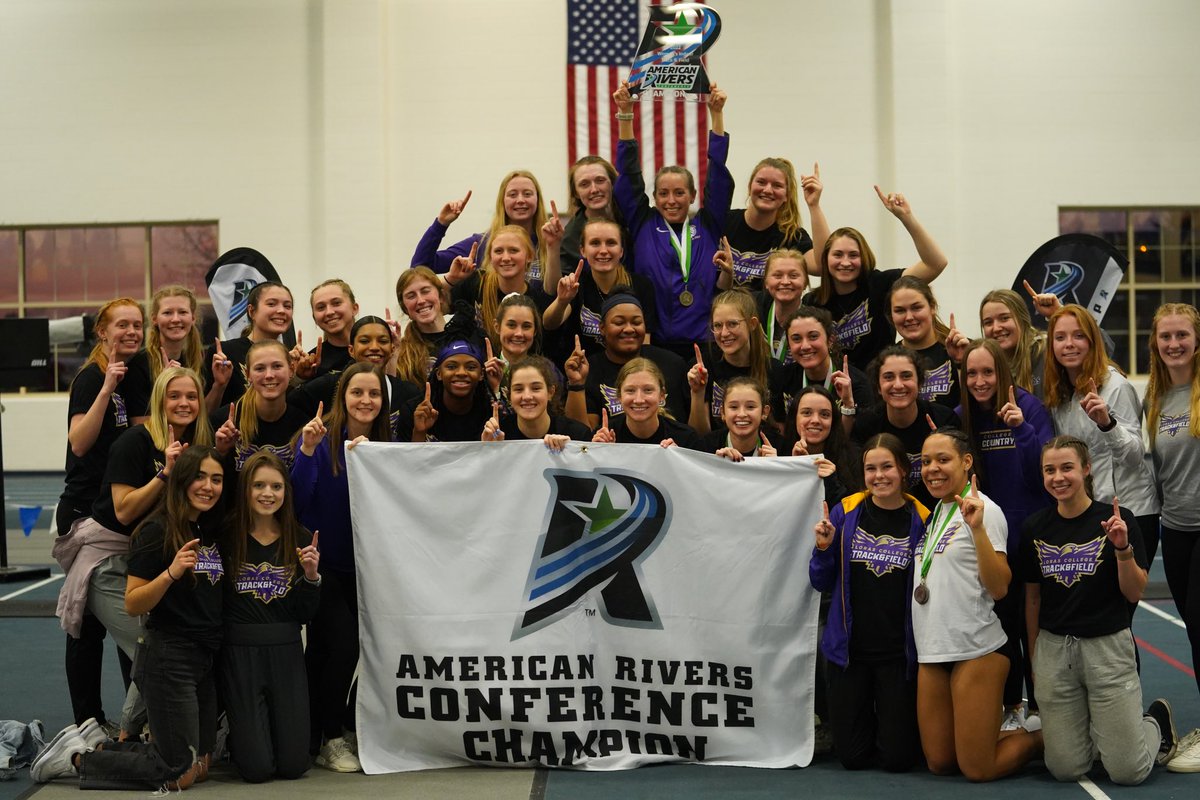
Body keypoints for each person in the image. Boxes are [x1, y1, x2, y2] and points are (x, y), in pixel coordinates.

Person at [32, 446, 228, 790]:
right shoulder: (156, 531)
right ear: (180, 480)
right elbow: (134, 603)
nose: (208, 486)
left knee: (201, 767)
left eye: (216, 479)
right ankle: (76, 759)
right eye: (199, 477)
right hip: (170, 659)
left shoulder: (207, 528)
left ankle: (106, 746)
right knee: (177, 774)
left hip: (204, 659)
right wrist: (169, 573)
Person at [1020, 436, 1177, 784]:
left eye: (1066, 468)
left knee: (1128, 772)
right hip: (1054, 651)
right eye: (1049, 470)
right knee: (1065, 769)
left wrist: (1122, 548)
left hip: (1107, 649)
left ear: (1086, 469)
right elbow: (1032, 599)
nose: (1058, 477)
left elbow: (1134, 592)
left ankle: (1154, 722)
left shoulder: (1118, 520)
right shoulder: (1035, 528)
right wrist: (1034, 653)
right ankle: (1098, 730)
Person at [913, 428, 1042, 781]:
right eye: (925, 462)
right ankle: (989, 733)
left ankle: (1044, 738)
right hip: (934, 650)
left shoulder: (987, 511)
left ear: (966, 462)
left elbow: (1000, 587)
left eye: (943, 460)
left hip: (976, 649)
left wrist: (978, 528)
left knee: (978, 768)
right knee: (940, 762)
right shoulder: (936, 513)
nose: (932, 469)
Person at [291, 361, 391, 772]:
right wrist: (308, 451)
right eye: (357, 393)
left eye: (373, 394)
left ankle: (327, 727)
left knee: (333, 653)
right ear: (342, 397)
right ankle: (331, 737)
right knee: (344, 645)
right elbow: (296, 502)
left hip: (368, 569)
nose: (365, 400)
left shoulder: (387, 445)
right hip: (323, 567)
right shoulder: (317, 438)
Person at [810, 433, 928, 772]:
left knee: (897, 760)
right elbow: (819, 581)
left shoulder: (921, 518)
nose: (879, 476)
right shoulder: (845, 512)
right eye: (870, 468)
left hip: (897, 654)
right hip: (850, 654)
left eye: (887, 467)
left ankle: (891, 723)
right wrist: (822, 549)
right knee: (852, 758)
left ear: (903, 470)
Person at [56, 298, 147, 737]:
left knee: (128, 617)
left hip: (120, 514)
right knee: (86, 630)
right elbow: (78, 442)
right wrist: (106, 387)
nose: (131, 331)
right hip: (85, 514)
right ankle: (87, 722)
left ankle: (136, 722)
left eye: (137, 325)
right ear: (102, 332)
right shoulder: (93, 375)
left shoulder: (139, 374)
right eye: (122, 325)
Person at [957, 337, 1054, 731]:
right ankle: (1013, 704)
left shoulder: (1028, 407)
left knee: (1035, 628)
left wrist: (1022, 430)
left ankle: (1045, 707)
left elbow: (1043, 476)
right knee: (1001, 628)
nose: (980, 381)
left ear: (1003, 372)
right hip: (991, 544)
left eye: (988, 372)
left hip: (1029, 539)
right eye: (972, 373)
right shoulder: (962, 414)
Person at [612, 80, 734, 355]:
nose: (671, 200)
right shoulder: (644, 223)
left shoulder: (708, 225)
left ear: (693, 195)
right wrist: (625, 114)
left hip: (706, 342)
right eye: (663, 193)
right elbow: (629, 176)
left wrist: (717, 115)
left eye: (679, 193)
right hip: (656, 344)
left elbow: (718, 176)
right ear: (654, 196)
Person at [221, 451, 321, 783]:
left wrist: (310, 578)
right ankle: (233, 735)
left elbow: (306, 614)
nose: (268, 493)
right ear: (245, 489)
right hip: (240, 652)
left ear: (286, 492)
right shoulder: (226, 535)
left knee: (295, 766)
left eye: (276, 486)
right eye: (259, 485)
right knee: (257, 770)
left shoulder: (301, 538)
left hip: (287, 652)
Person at [1044, 305, 1160, 566]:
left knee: (1121, 603)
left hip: (1132, 513)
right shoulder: (1060, 394)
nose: (1069, 344)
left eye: (1079, 336)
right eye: (1060, 338)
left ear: (1092, 341)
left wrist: (1107, 424)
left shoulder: (1115, 385)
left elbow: (1134, 457)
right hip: (1093, 513)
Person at [803, 187, 949, 371]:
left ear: (864, 258)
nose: (845, 262)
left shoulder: (880, 284)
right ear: (825, 259)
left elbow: (935, 264)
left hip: (882, 384)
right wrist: (813, 205)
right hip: (836, 386)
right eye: (838, 255)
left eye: (853, 255)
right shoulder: (813, 301)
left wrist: (906, 217)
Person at [1144, 303, 1200, 771]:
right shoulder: (1157, 399)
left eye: (1182, 335)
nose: (1174, 344)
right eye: (1166, 337)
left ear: (1196, 340)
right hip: (1176, 529)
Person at [851, 346, 960, 510]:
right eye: (888, 377)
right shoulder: (866, 425)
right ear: (879, 387)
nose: (898, 385)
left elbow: (962, 475)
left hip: (939, 514)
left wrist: (943, 448)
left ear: (920, 382)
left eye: (906, 376)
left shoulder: (944, 419)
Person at [562, 293, 690, 429]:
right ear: (602, 328)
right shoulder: (589, 369)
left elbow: (688, 430)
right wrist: (576, 384)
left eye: (636, 322)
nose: (629, 329)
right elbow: (582, 435)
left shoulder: (672, 364)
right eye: (619, 323)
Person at [288, 316, 422, 439]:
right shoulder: (330, 384)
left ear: (392, 349)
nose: (374, 347)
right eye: (364, 341)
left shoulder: (409, 392)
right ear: (351, 350)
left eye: (383, 341)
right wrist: (297, 377)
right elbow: (287, 405)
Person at [541, 216, 656, 352]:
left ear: (621, 251)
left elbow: (644, 343)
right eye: (595, 243)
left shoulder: (641, 286)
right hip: (584, 368)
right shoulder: (576, 284)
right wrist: (562, 301)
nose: (603, 250)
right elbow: (549, 324)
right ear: (583, 251)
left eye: (611, 243)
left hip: (628, 368)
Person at [412, 171, 549, 283]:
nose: (520, 200)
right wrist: (441, 224)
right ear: (502, 201)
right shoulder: (481, 244)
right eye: (513, 194)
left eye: (527, 194)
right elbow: (420, 266)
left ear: (538, 200)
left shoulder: (551, 244)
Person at [723, 158, 827, 289]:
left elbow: (821, 267)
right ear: (750, 187)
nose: (767, 190)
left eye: (777, 185)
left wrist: (814, 205)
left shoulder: (791, 236)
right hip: (720, 306)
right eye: (761, 182)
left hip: (765, 309)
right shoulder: (724, 222)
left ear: (787, 196)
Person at [687, 289, 779, 434]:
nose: (724, 333)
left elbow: (779, 431)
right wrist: (697, 393)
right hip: (715, 454)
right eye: (717, 325)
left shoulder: (774, 369)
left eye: (732, 324)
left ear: (752, 324)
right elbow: (699, 436)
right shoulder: (703, 367)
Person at [212, 340, 310, 473]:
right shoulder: (224, 423)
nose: (269, 375)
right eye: (260, 368)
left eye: (277, 366)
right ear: (248, 375)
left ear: (291, 370)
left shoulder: (303, 425)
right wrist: (220, 452)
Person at [442, 226, 553, 337]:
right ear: (490, 257)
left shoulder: (536, 300)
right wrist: (451, 279)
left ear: (529, 256)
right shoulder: (477, 282)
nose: (505, 258)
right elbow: (437, 307)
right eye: (498, 251)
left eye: (513, 250)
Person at [203, 281, 296, 412]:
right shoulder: (224, 353)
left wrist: (299, 377)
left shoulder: (290, 357)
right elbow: (203, 417)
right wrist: (219, 385)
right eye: (271, 304)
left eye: (287, 306)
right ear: (252, 311)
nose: (281, 310)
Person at [773, 307, 872, 428]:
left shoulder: (856, 384)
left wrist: (848, 405)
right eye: (796, 339)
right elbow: (782, 431)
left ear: (830, 340)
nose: (805, 346)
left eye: (813, 336)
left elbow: (859, 440)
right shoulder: (782, 378)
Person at [481, 356, 591, 447]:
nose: (527, 396)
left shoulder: (577, 434)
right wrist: (489, 451)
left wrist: (569, 452)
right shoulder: (496, 434)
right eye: (518, 389)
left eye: (536, 388)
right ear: (510, 396)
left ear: (550, 392)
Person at [124, 286, 205, 411]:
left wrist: (219, 385)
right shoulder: (139, 365)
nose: (176, 319)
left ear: (193, 318)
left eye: (182, 312)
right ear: (155, 319)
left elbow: (203, 417)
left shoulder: (199, 362)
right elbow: (139, 426)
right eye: (167, 313)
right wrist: (163, 385)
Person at [591, 358, 701, 449]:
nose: (639, 400)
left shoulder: (685, 438)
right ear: (619, 396)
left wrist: (679, 459)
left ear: (662, 395)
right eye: (630, 390)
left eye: (648, 390)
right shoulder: (603, 436)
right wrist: (600, 454)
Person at [400, 336, 492, 443]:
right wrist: (419, 432)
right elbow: (406, 459)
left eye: (471, 367)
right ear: (439, 373)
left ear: (481, 374)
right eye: (451, 367)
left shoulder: (490, 413)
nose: (461, 373)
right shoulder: (414, 411)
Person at [889, 276, 962, 410]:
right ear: (891, 315)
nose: (909, 317)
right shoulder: (887, 361)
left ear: (932, 307)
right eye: (900, 310)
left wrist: (962, 362)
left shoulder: (960, 349)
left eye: (916, 308)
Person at [787, 385, 862, 503]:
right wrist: (796, 467)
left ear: (833, 421)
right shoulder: (779, 453)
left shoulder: (853, 458)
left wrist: (831, 482)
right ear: (794, 417)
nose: (815, 420)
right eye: (807, 413)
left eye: (825, 415)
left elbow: (854, 514)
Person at [559, 155, 624, 269]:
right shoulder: (571, 238)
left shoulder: (631, 219)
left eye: (600, 180)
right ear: (575, 193)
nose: (594, 190)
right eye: (584, 184)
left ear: (613, 183)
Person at [979, 288, 1046, 398]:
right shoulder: (988, 363)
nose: (996, 328)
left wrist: (1058, 311)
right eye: (988, 322)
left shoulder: (1047, 350)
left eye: (1004, 318)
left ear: (1022, 318)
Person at [393, 266, 452, 385]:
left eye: (425, 291)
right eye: (411, 296)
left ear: (440, 296)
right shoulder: (402, 353)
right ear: (405, 308)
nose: (420, 300)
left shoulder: (465, 339)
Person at [696, 376, 778, 460]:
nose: (742, 414)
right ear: (723, 412)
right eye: (734, 407)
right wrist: (718, 465)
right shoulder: (706, 447)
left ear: (764, 412)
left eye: (750, 407)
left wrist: (776, 465)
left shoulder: (781, 448)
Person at [756, 249, 810, 366]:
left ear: (805, 282)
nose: (785, 281)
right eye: (777, 275)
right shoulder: (754, 312)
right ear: (766, 282)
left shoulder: (815, 321)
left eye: (793, 275)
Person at [303, 279, 358, 378]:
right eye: (321, 307)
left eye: (336, 303)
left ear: (354, 308)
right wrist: (298, 377)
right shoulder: (311, 363)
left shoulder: (375, 349)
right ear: (314, 318)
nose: (329, 312)